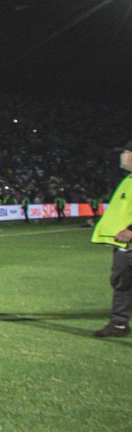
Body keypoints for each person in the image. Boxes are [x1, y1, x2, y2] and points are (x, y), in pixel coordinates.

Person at [91, 140, 132, 338]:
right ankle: (119, 324)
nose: (121, 156)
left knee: (123, 283)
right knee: (122, 282)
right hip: (124, 245)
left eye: (123, 152)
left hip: (129, 241)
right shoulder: (129, 179)